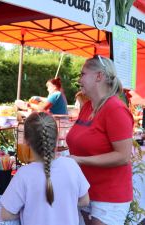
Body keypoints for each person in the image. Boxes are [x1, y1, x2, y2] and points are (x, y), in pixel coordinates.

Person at [66, 55, 134, 225]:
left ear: (99, 76)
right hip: (85, 192)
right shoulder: (88, 106)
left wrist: (79, 160)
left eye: (82, 74)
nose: (79, 79)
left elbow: (123, 156)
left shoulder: (115, 109)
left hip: (108, 198)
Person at [0, 112, 90, 225]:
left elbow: (5, 214)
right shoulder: (72, 166)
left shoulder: (24, 174)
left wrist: (29, 210)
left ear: (26, 141)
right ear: (57, 137)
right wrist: (62, 207)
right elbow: (85, 201)